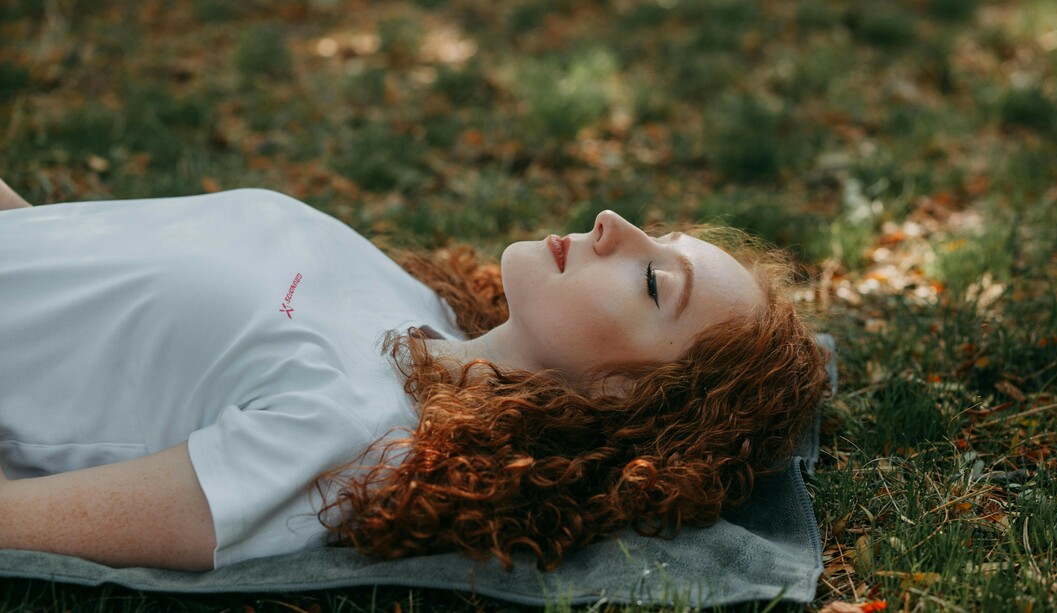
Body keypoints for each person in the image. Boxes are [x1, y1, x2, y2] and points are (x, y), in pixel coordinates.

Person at [0, 183, 828, 572]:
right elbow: (78, 271)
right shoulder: (416, 305)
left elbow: (20, 517)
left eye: (654, 282)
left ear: (626, 399)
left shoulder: (358, 438)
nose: (617, 224)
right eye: (662, 236)